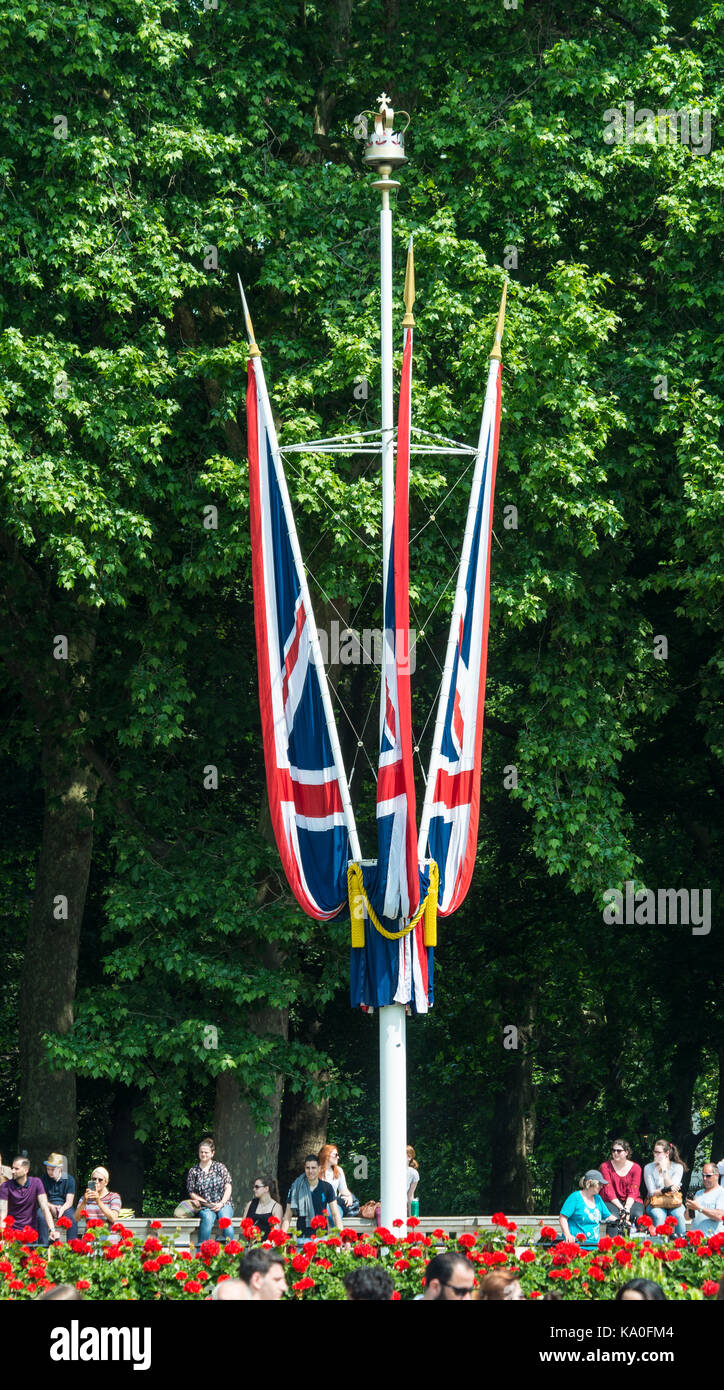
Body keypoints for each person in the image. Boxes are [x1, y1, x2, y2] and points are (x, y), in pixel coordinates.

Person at [0, 1157, 58, 1245]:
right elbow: (3, 1213)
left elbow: (45, 1208)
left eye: (16, 1169)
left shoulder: (36, 1183)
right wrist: (2, 1236)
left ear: (26, 1170)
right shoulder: (5, 1186)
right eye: (12, 1168)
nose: (12, 1171)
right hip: (12, 1233)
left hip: (30, 1233)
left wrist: (52, 1230)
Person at [186, 1137, 234, 1243]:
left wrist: (221, 1203)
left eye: (206, 1152)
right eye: (201, 1152)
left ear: (212, 1153)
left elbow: (228, 1186)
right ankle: (201, 1253)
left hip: (224, 1204)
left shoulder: (220, 1167)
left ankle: (231, 1253)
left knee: (226, 1223)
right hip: (205, 1206)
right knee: (207, 1220)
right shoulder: (194, 1171)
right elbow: (191, 1192)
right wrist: (208, 1204)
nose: (203, 1154)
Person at [282, 1155, 341, 1238]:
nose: (310, 1171)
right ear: (304, 1169)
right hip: (302, 1237)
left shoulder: (327, 1187)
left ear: (319, 1168)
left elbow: (335, 1214)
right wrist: (281, 1236)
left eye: (313, 1168)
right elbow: (288, 1215)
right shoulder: (296, 1188)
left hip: (321, 1236)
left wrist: (343, 1237)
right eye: (307, 1168)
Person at [559, 1170, 616, 1247]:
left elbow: (608, 1217)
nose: (601, 1187)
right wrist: (567, 1234)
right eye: (599, 1184)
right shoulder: (575, 1197)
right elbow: (563, 1217)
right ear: (590, 1182)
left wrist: (621, 1220)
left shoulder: (598, 1199)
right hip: (576, 1246)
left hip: (594, 1245)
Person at [643, 1139, 687, 1237]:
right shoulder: (648, 1168)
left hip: (673, 1201)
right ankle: (658, 1247)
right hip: (655, 1202)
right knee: (659, 1216)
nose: (655, 1155)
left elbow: (673, 1191)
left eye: (658, 1152)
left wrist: (664, 1171)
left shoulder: (677, 1167)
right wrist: (666, 1190)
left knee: (679, 1215)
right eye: (654, 1152)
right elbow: (651, 1192)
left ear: (667, 1153)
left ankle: (681, 1244)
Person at [599, 1139, 644, 1227]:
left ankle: (640, 1240)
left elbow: (634, 1190)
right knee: (614, 1218)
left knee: (638, 1216)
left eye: (619, 1151)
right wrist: (621, 1208)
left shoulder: (636, 1168)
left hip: (631, 1201)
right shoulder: (605, 1167)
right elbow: (609, 1191)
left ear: (626, 1152)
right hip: (611, 1201)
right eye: (613, 1150)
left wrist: (627, 1207)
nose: (615, 1153)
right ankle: (612, 1240)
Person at [37, 1152, 77, 1246]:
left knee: (72, 1217)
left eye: (53, 1169)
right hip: (48, 1204)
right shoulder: (43, 1179)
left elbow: (69, 1201)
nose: (50, 1172)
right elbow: (43, 1199)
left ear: (61, 1169)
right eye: (48, 1169)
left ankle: (73, 1248)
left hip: (65, 1205)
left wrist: (61, 1209)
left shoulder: (69, 1179)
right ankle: (43, 1248)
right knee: (40, 1216)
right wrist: (51, 1206)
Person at [318, 1144, 357, 1219]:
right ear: (327, 1155)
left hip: (334, 1204)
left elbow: (344, 1190)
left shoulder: (338, 1171)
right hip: (319, 1205)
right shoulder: (315, 1171)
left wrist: (349, 1196)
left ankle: (336, 1230)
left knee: (335, 1213)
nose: (338, 1157)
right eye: (336, 1155)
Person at [685, 1162, 724, 1234]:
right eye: (703, 1175)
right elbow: (688, 1218)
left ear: (717, 1175)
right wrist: (689, 1208)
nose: (704, 1178)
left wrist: (699, 1208)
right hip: (695, 1240)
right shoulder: (698, 1193)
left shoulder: (721, 1193)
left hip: (711, 1241)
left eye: (708, 1176)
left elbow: (720, 1216)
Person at [242, 1174, 283, 1238]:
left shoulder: (276, 1207)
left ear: (266, 1189)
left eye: (257, 1187)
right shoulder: (250, 1204)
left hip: (268, 1244)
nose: (254, 1189)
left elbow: (276, 1230)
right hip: (252, 1243)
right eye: (254, 1187)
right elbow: (243, 1226)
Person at [407, 1145, 419, 1214]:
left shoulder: (413, 1173)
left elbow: (410, 1195)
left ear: (409, 1157)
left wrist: (411, 1215)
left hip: (403, 1206)